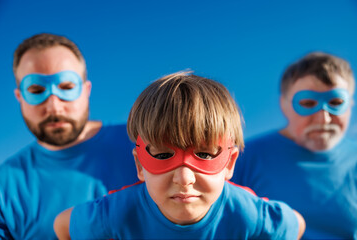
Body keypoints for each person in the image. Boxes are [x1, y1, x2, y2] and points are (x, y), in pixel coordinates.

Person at [54, 71, 305, 239]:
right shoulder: (116, 213)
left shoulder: (248, 214)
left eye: (205, 155)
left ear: (229, 163)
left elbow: (296, 224)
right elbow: (62, 225)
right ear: (140, 165)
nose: (184, 178)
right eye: (163, 155)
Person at [0, 33, 139, 239]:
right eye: (36, 90)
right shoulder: (3, 188)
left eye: (66, 87)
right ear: (20, 97)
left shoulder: (147, 143)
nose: (54, 106)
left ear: (86, 89)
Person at [231, 52, 357, 239]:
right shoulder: (241, 158)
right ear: (284, 105)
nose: (324, 118)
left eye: (335, 103)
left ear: (350, 104)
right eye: (308, 103)